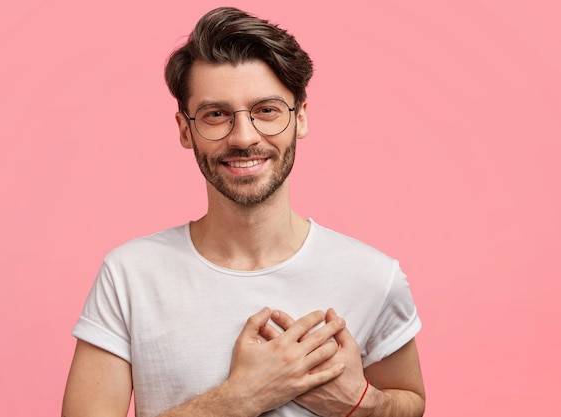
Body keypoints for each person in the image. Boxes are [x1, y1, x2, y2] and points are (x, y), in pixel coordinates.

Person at [62, 6, 425, 417]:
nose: (244, 137)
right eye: (216, 115)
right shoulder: (130, 276)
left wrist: (363, 404)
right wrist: (240, 398)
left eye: (266, 110)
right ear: (185, 130)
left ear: (300, 117)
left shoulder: (374, 275)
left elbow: (410, 401)